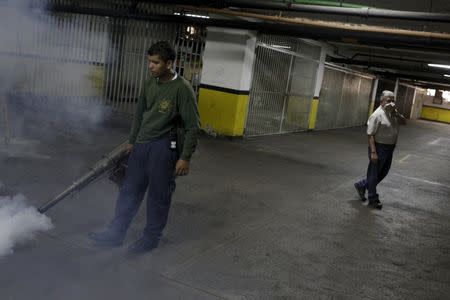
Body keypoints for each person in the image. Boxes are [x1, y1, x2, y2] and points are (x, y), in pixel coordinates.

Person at [89, 41, 200, 254]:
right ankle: (115, 233)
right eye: (149, 62)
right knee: (129, 191)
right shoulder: (150, 83)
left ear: (169, 63)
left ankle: (150, 239)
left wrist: (185, 157)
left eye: (155, 63)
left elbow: (192, 127)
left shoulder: (182, 89)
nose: (150, 66)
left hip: (164, 147)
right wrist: (132, 141)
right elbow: (139, 114)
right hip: (142, 145)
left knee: (158, 196)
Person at [354, 90, 406, 209]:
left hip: (390, 147)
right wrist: (373, 152)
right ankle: (373, 198)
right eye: (389, 100)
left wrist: (396, 113)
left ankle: (362, 185)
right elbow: (370, 134)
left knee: (383, 172)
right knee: (373, 174)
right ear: (381, 101)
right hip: (379, 147)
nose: (391, 103)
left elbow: (404, 122)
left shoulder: (393, 113)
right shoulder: (377, 115)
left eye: (393, 100)